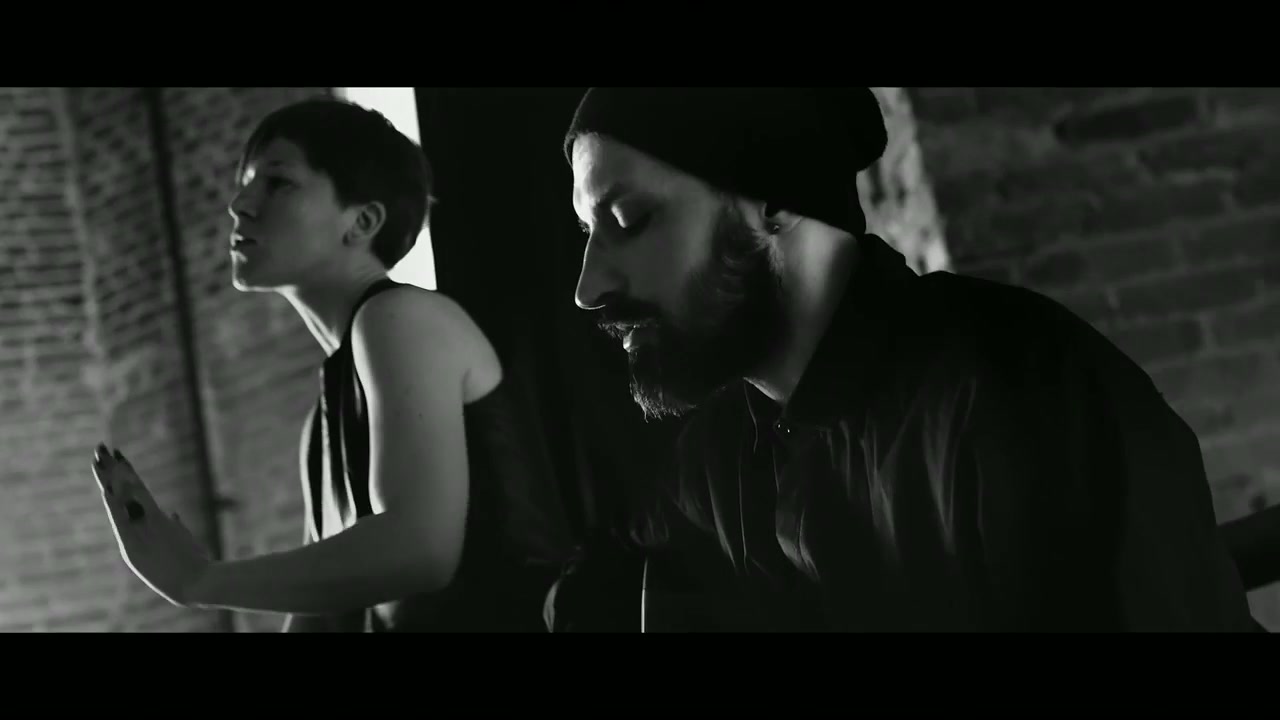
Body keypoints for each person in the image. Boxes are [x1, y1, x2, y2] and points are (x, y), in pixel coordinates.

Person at [551, 86, 1259, 632]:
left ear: (773, 200)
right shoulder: (716, 456)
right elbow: (624, 568)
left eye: (627, 221)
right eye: (587, 231)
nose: (587, 288)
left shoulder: (1017, 395)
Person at [91, 97, 570, 632]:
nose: (239, 204)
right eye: (245, 184)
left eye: (277, 182)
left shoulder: (399, 317)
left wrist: (198, 580)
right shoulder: (320, 425)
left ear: (362, 221)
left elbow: (421, 551)